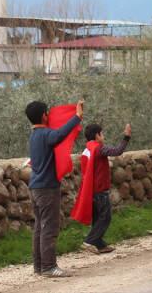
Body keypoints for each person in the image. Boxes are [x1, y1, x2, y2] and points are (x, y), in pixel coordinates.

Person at [25, 99, 84, 278]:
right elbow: (60, 135)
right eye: (48, 113)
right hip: (47, 188)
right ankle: (49, 267)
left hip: (35, 187)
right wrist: (77, 117)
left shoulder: (34, 136)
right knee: (49, 227)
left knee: (39, 228)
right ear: (44, 115)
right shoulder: (45, 134)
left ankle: (39, 267)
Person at [78, 123, 131, 254]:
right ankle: (89, 241)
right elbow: (117, 151)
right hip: (100, 191)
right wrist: (126, 137)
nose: (103, 136)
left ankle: (99, 244)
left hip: (91, 191)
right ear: (97, 135)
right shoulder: (99, 149)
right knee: (105, 217)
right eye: (102, 133)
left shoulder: (87, 150)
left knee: (97, 219)